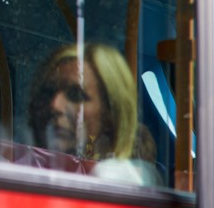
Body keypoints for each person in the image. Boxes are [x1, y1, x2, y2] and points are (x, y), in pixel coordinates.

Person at [27, 43, 156, 165]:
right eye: (48, 92)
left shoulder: (123, 182)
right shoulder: (19, 165)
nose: (55, 105)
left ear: (110, 114)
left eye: (76, 95)